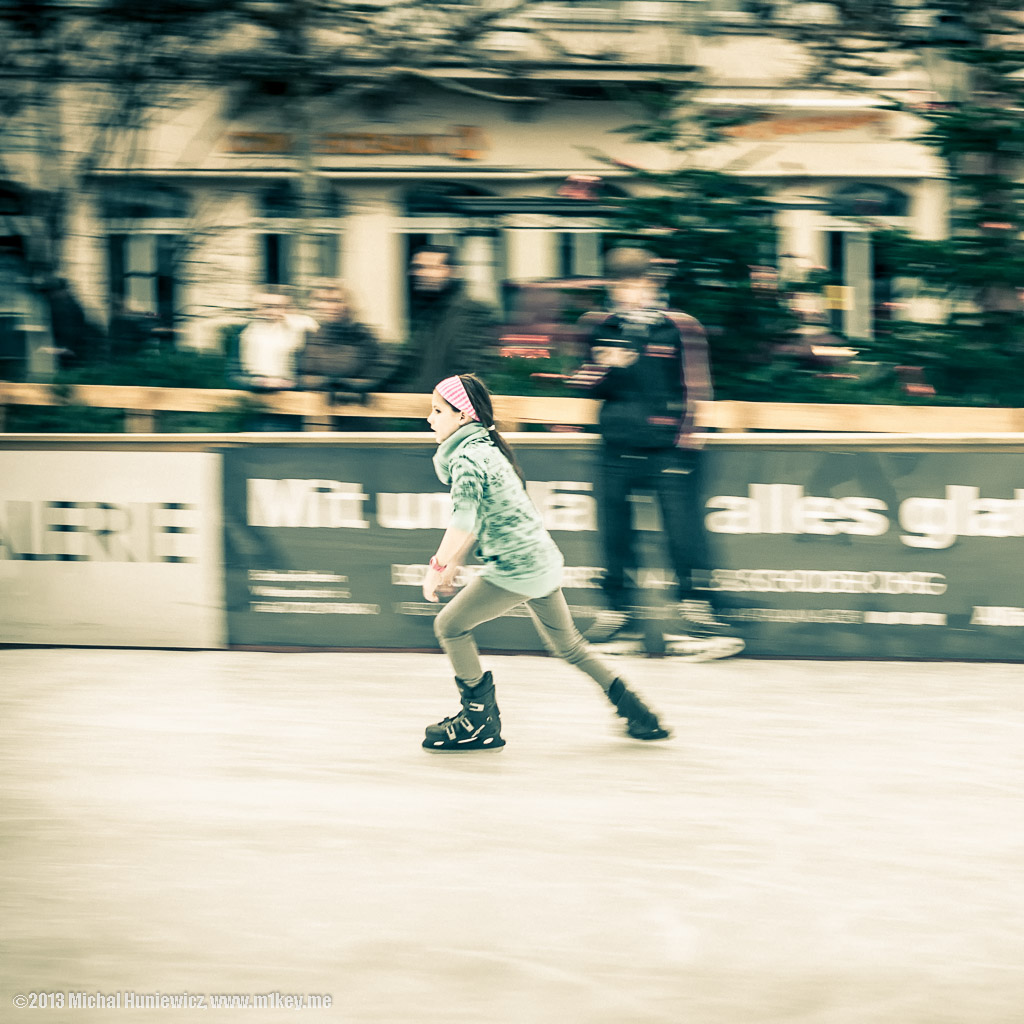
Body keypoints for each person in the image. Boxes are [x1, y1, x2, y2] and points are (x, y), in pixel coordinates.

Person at [421, 372, 670, 751]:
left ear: (462, 417)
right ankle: (637, 711)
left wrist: (438, 565)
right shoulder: (486, 447)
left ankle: (478, 718)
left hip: (517, 568)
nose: (430, 418)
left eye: (438, 410)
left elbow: (464, 518)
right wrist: (455, 561)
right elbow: (485, 515)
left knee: (450, 626)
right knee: (569, 647)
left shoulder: (468, 457)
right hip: (539, 560)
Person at [567, 247, 744, 661]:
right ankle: (618, 619)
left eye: (642, 282)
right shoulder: (599, 326)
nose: (634, 292)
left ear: (655, 283)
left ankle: (696, 618)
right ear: (612, 286)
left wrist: (686, 440)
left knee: (682, 534)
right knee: (614, 535)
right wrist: (609, 365)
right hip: (615, 445)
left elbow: (696, 386)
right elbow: (581, 382)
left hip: (668, 451)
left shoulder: (679, 327)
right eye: (624, 283)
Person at [392, 245, 499, 393]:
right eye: (417, 267)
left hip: (449, 410)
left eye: (431, 267)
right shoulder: (429, 314)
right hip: (429, 408)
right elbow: (405, 366)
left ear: (453, 271)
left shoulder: (470, 312)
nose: (420, 273)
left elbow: (471, 373)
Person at [296, 281, 380, 401]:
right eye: (322, 301)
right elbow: (302, 376)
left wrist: (336, 382)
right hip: (316, 412)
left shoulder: (364, 336)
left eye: (336, 301)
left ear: (349, 304)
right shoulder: (310, 336)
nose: (329, 307)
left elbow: (373, 377)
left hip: (355, 412)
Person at [235, 288, 315, 391]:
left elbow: (307, 373)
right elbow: (234, 375)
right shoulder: (244, 334)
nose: (272, 311)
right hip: (253, 395)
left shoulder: (300, 332)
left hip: (291, 395)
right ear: (256, 309)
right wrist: (259, 382)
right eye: (266, 306)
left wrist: (292, 383)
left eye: (278, 307)